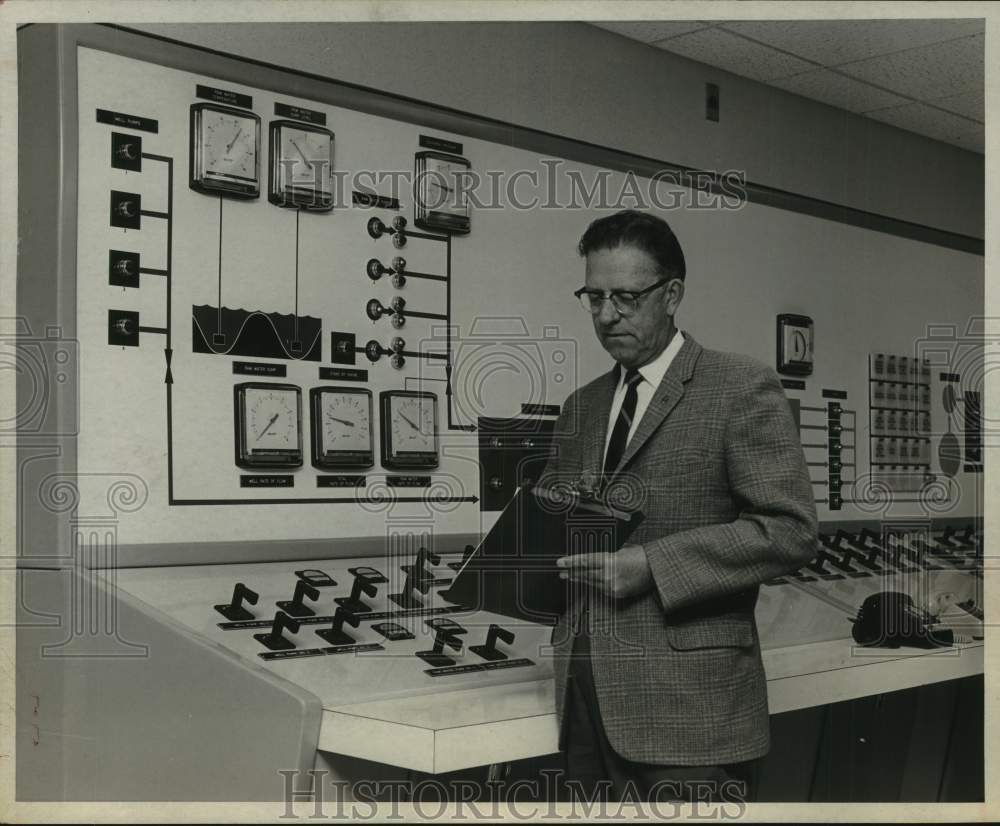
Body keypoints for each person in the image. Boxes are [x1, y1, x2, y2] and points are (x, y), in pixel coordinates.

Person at [540, 209, 818, 803]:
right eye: (593, 297)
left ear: (671, 295)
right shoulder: (580, 408)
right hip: (585, 697)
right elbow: (555, 528)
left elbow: (790, 531)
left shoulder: (739, 388)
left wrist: (652, 565)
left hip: (692, 714)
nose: (607, 314)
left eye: (625, 297)